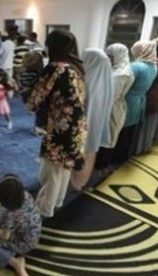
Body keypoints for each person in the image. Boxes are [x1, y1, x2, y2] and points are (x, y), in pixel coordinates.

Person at [26, 29, 87, 218]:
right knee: (64, 167)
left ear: (53, 47)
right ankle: (58, 201)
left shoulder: (56, 68)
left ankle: (45, 208)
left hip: (60, 127)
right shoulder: (77, 67)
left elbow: (34, 99)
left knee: (52, 170)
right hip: (77, 127)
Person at [70, 48, 114, 190]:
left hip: (83, 126)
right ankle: (82, 181)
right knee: (90, 154)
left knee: (80, 155)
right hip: (97, 126)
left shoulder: (89, 80)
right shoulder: (108, 79)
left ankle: (75, 183)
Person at [0, 174, 42, 276]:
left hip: (24, 244)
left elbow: (5, 237)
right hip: (33, 234)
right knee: (2, 217)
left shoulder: (10, 215)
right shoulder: (26, 195)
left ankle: (14, 262)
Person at [95, 43, 134, 174]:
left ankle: (101, 166)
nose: (108, 59)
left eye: (110, 56)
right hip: (112, 106)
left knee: (108, 136)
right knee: (106, 135)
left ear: (118, 56)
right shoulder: (119, 69)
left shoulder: (120, 74)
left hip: (111, 108)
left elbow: (111, 96)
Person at [19, 51, 45, 135]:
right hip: (32, 95)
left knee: (38, 112)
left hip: (25, 95)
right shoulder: (35, 74)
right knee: (40, 111)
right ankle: (39, 128)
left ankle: (38, 126)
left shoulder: (23, 73)